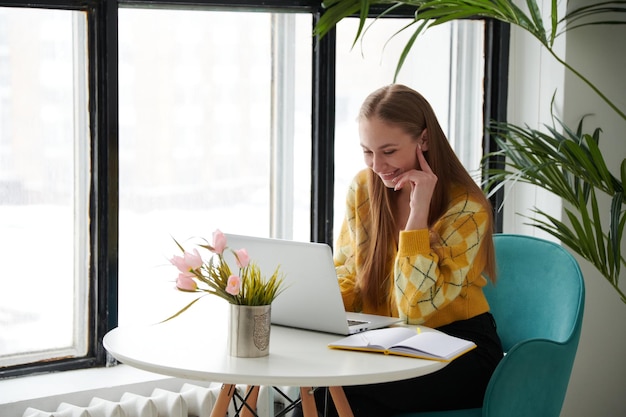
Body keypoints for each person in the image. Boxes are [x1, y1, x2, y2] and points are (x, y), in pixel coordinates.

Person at [316, 84, 504, 417]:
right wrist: (311, 308)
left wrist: (417, 216)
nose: (377, 165)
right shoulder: (363, 188)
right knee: (320, 390)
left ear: (424, 140)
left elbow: (416, 309)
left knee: (337, 398)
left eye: (388, 151)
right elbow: (349, 274)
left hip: (460, 347)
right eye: (367, 151)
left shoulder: (466, 208)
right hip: (389, 340)